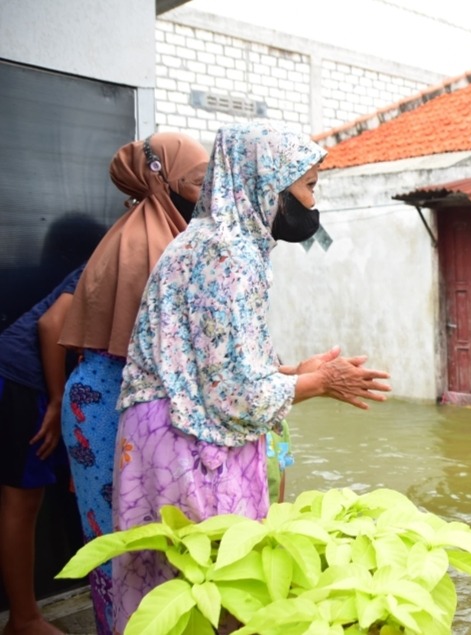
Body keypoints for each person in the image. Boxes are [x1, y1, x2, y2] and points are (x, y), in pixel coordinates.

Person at [110, 122, 392, 632]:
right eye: (308, 186)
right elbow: (235, 395)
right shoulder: (228, 255)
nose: (311, 201)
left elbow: (213, 367)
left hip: (167, 429)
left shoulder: (210, 241)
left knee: (166, 601)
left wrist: (293, 371)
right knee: (216, 596)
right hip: (188, 442)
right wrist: (321, 383)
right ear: (267, 185)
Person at [56, 131, 208, 635]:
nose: (207, 194)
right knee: (126, 548)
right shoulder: (153, 244)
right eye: (199, 182)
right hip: (111, 409)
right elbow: (175, 357)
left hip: (96, 399)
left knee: (114, 542)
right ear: (163, 179)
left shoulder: (133, 231)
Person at [0, 265, 85, 635]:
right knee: (21, 504)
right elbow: (52, 325)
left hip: (23, 377)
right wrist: (56, 401)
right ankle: (23, 620)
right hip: (23, 379)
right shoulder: (111, 255)